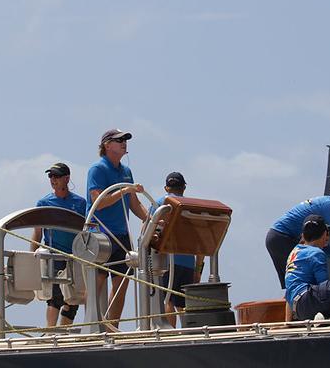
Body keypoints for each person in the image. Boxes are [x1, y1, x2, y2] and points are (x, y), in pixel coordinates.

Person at [86, 129, 148, 327]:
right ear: (107, 145)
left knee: (121, 284)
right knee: (97, 281)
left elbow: (134, 204)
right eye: (119, 140)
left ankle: (112, 328)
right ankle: (93, 326)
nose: (124, 143)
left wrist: (152, 219)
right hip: (100, 233)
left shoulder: (126, 172)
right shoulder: (97, 169)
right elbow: (98, 201)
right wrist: (125, 190)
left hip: (121, 234)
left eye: (125, 140)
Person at [31, 162, 87, 327]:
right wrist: (31, 256)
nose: (52, 179)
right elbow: (37, 232)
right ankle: (51, 332)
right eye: (50, 176)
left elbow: (88, 230)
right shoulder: (43, 203)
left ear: (67, 178)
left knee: (73, 299)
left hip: (75, 256)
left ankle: (64, 334)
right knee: (54, 298)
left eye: (56, 176)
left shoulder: (80, 203)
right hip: (53, 255)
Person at [155, 172, 204, 327]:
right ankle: (188, 334)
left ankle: (170, 333)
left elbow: (148, 230)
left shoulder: (161, 202)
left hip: (167, 261)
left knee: (167, 299)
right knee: (183, 304)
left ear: (166, 188)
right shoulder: (191, 207)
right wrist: (198, 270)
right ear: (183, 188)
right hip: (188, 262)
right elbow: (200, 242)